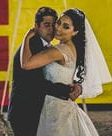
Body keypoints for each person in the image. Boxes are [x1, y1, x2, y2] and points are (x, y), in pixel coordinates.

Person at [21, 8, 111, 136]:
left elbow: (26, 64)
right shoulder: (72, 48)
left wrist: (27, 37)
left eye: (66, 26)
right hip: (62, 106)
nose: (58, 28)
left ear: (75, 32)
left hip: (55, 109)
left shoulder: (58, 51)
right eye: (59, 22)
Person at [7, 7, 82, 136]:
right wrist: (67, 90)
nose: (52, 29)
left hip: (40, 110)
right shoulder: (32, 46)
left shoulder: (51, 48)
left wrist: (76, 86)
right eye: (47, 25)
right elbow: (35, 84)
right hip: (25, 111)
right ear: (36, 26)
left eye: (54, 24)